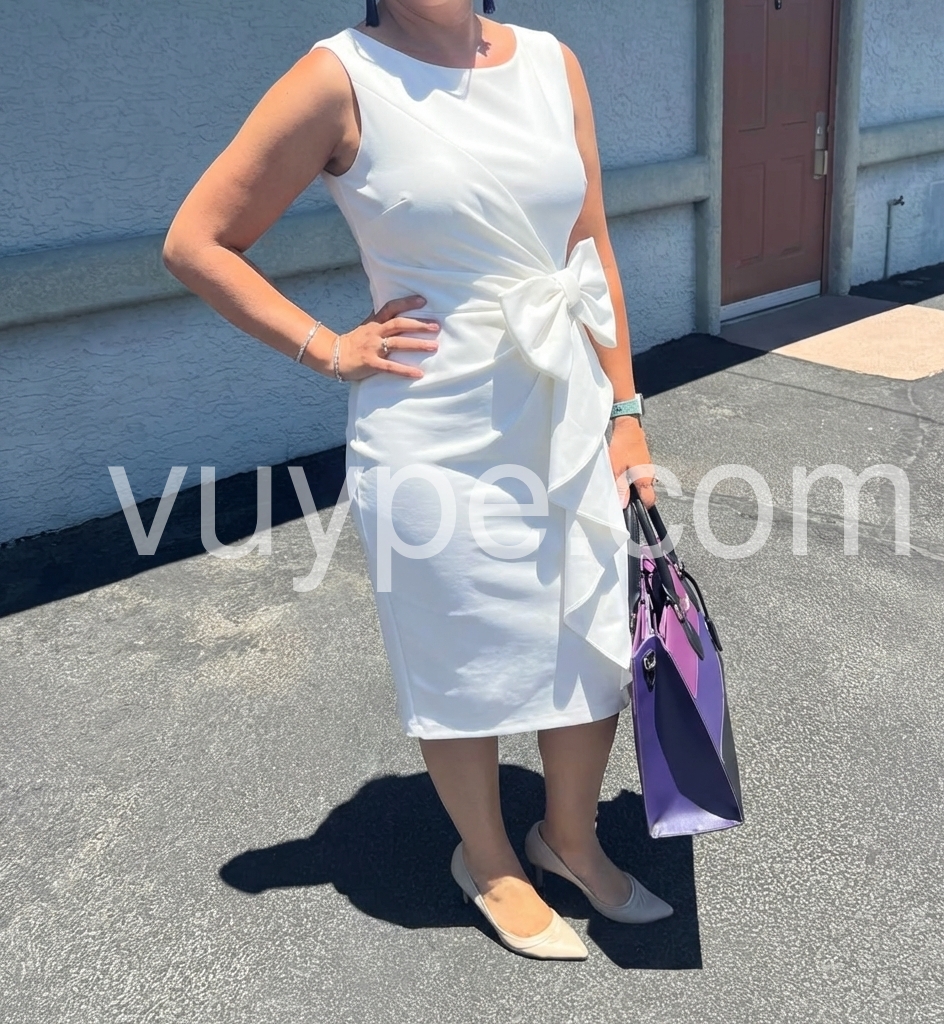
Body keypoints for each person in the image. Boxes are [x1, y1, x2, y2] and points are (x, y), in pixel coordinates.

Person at [163, 0, 671, 960]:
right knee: (458, 654)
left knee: (593, 642)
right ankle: (489, 860)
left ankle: (569, 840)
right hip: (434, 435)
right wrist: (328, 347)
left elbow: (589, 246)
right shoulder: (339, 78)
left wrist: (626, 409)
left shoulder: (553, 62)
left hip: (566, 415)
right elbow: (197, 241)